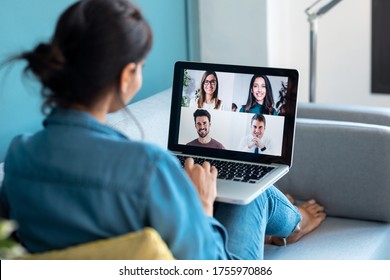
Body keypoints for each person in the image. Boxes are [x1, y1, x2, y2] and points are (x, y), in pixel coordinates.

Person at [0, 0, 325, 260]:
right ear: (127, 75)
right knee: (252, 198)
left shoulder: (19, 155)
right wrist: (202, 207)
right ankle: (294, 222)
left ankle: (291, 220)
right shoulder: (147, 168)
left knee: (223, 179)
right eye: (141, 66)